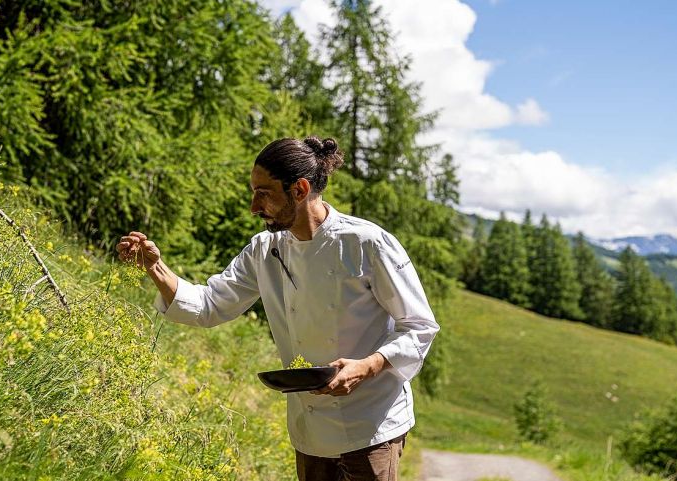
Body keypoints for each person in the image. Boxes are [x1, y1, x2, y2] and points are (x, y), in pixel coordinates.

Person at [117, 136, 439, 481]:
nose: (254, 207)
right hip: (311, 430)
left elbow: (419, 327)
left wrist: (367, 366)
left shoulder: (366, 243)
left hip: (372, 423)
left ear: (299, 190)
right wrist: (156, 268)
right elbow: (209, 305)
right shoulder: (264, 249)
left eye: (264, 193)